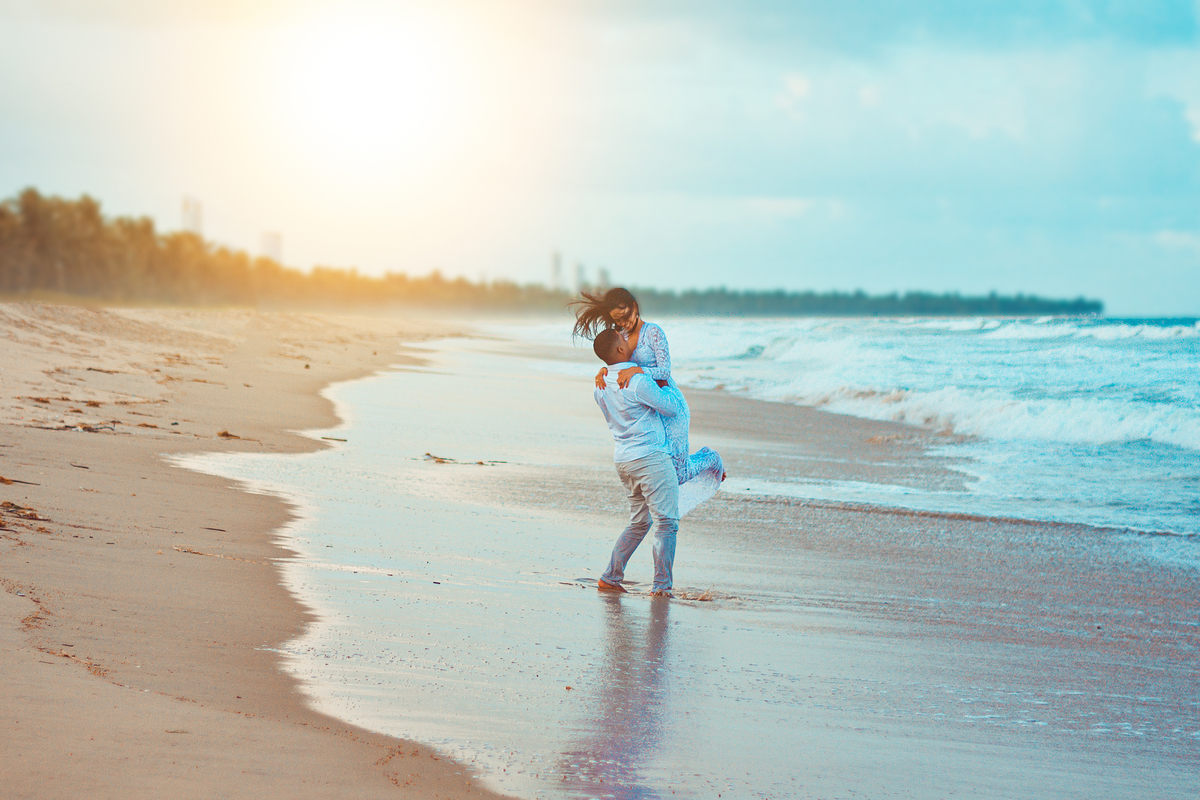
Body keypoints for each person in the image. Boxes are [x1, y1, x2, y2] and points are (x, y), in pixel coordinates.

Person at [571, 287, 725, 514]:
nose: (624, 323)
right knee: (668, 472)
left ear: (634, 305)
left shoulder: (653, 332)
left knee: (679, 475)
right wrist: (604, 371)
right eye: (618, 320)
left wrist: (636, 370)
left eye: (626, 315)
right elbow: (616, 361)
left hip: (670, 405)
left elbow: (664, 370)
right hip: (648, 411)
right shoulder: (619, 336)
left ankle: (711, 458)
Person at [591, 328, 680, 597]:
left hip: (624, 459)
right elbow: (671, 407)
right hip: (650, 457)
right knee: (666, 522)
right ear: (619, 350)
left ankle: (611, 576)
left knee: (640, 522)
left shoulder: (601, 385)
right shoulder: (638, 381)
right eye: (623, 338)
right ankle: (662, 587)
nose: (629, 339)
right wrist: (657, 380)